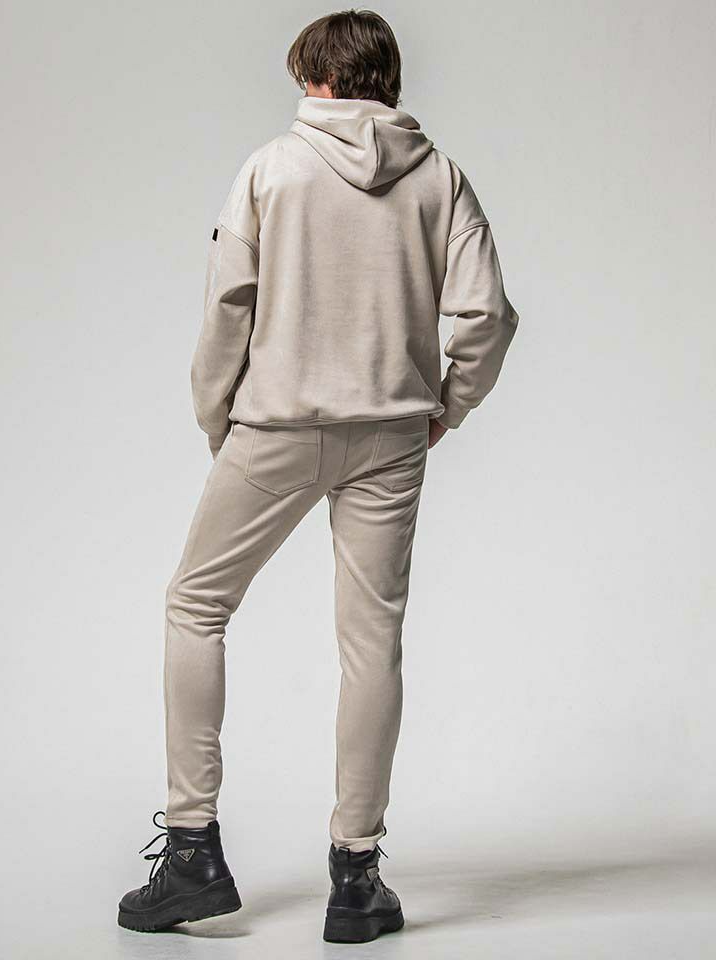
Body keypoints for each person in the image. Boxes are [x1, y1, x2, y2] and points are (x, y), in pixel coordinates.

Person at [118, 8, 518, 944]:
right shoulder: (441, 176)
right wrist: (445, 408)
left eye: (303, 76)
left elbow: (228, 307)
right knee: (372, 643)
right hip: (392, 435)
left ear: (319, 79)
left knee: (196, 606)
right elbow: (488, 317)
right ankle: (356, 877)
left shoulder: (273, 168)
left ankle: (192, 852)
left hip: (278, 427)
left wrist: (218, 417)